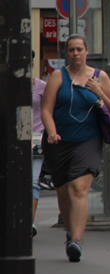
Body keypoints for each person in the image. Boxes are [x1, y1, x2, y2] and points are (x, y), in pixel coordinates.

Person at [40, 34, 110, 262]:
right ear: (67, 53)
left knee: (78, 189)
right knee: (63, 192)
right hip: (59, 141)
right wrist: (52, 131)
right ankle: (70, 231)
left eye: (79, 49)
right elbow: (46, 109)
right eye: (71, 50)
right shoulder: (57, 76)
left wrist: (99, 92)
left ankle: (76, 240)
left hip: (88, 140)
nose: (75, 53)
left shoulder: (99, 76)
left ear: (86, 51)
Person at [31, 55, 48, 238]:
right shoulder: (9, 85)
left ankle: (29, 222)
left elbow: (48, 111)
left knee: (33, 181)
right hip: (15, 138)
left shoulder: (42, 87)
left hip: (37, 137)